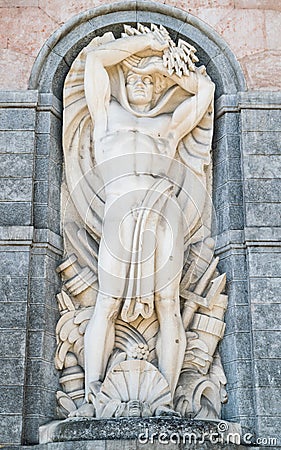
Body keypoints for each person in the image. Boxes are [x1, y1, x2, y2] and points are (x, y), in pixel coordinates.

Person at [81, 28, 215, 411]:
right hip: (119, 213)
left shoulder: (168, 126)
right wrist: (147, 45)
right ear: (122, 84)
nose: (140, 84)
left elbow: (204, 92)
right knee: (106, 302)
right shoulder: (107, 117)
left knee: (168, 303)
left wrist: (168, 65)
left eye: (148, 81)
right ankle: (92, 390)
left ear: (158, 88)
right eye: (133, 78)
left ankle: (167, 399)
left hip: (162, 217)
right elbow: (95, 61)